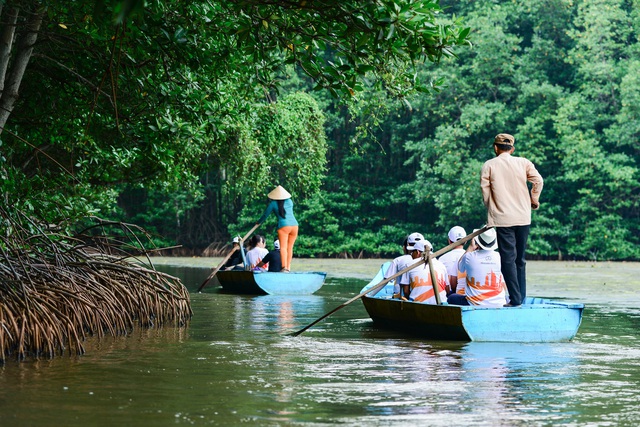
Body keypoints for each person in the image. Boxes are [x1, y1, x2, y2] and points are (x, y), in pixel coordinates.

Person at [481, 133, 543, 307]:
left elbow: (486, 194)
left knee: (507, 259)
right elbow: (538, 181)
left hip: (503, 219)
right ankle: (520, 297)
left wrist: (492, 211)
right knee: (520, 259)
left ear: (495, 147)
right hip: (523, 217)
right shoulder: (523, 162)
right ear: (512, 148)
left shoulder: (489, 165)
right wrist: (534, 200)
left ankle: (515, 300)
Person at [447, 228, 507, 307]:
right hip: (499, 302)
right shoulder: (500, 257)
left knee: (451, 298)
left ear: (476, 241)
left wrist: (471, 247)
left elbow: (460, 267)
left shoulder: (469, 257)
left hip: (474, 303)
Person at [256, 185, 298, 273]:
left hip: (284, 226)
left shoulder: (273, 204)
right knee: (290, 248)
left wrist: (258, 222)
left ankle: (284, 268)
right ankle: (288, 267)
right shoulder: (290, 201)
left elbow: (265, 215)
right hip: (295, 226)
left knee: (283, 248)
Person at [406, 240, 448, 304]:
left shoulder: (409, 265)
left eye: (412, 252)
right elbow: (447, 289)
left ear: (417, 252)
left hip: (417, 304)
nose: (411, 255)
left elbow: (406, 291)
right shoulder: (442, 265)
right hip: (441, 304)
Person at [385, 232, 423, 299]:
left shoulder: (400, 261)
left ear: (406, 246)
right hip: (421, 297)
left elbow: (385, 281)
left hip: (404, 298)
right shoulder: (432, 262)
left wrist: (370, 295)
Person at [437, 226, 466, 295]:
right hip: (467, 295)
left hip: (447, 295)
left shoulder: (442, 259)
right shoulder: (471, 257)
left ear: (449, 241)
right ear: (465, 241)